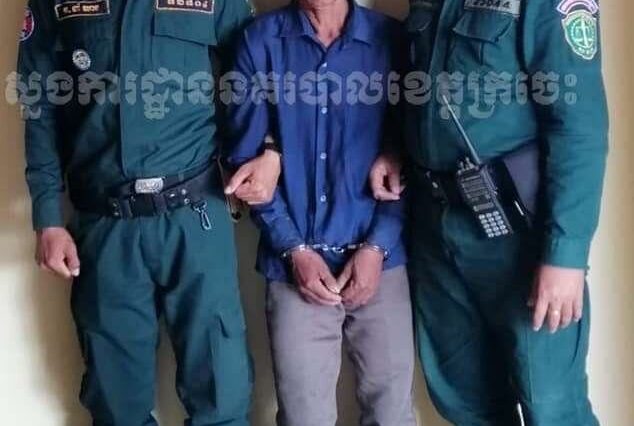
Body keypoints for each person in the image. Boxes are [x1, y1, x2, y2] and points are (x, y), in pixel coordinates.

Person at [16, 1, 280, 424]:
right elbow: (38, 102)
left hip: (196, 218)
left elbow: (257, 69)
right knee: (116, 403)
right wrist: (47, 215)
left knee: (222, 392)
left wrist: (269, 149)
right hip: (105, 226)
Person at [371, 0, 608, 425]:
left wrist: (566, 255)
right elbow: (418, 90)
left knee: (551, 406)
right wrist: (394, 149)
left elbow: (579, 127)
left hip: (520, 241)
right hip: (437, 230)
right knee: (465, 403)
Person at [226, 1, 416, 425]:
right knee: (303, 417)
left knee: (392, 414)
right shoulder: (260, 41)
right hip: (293, 265)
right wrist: (292, 248)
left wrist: (378, 246)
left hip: (381, 262)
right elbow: (247, 164)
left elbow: (411, 153)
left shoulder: (391, 39)